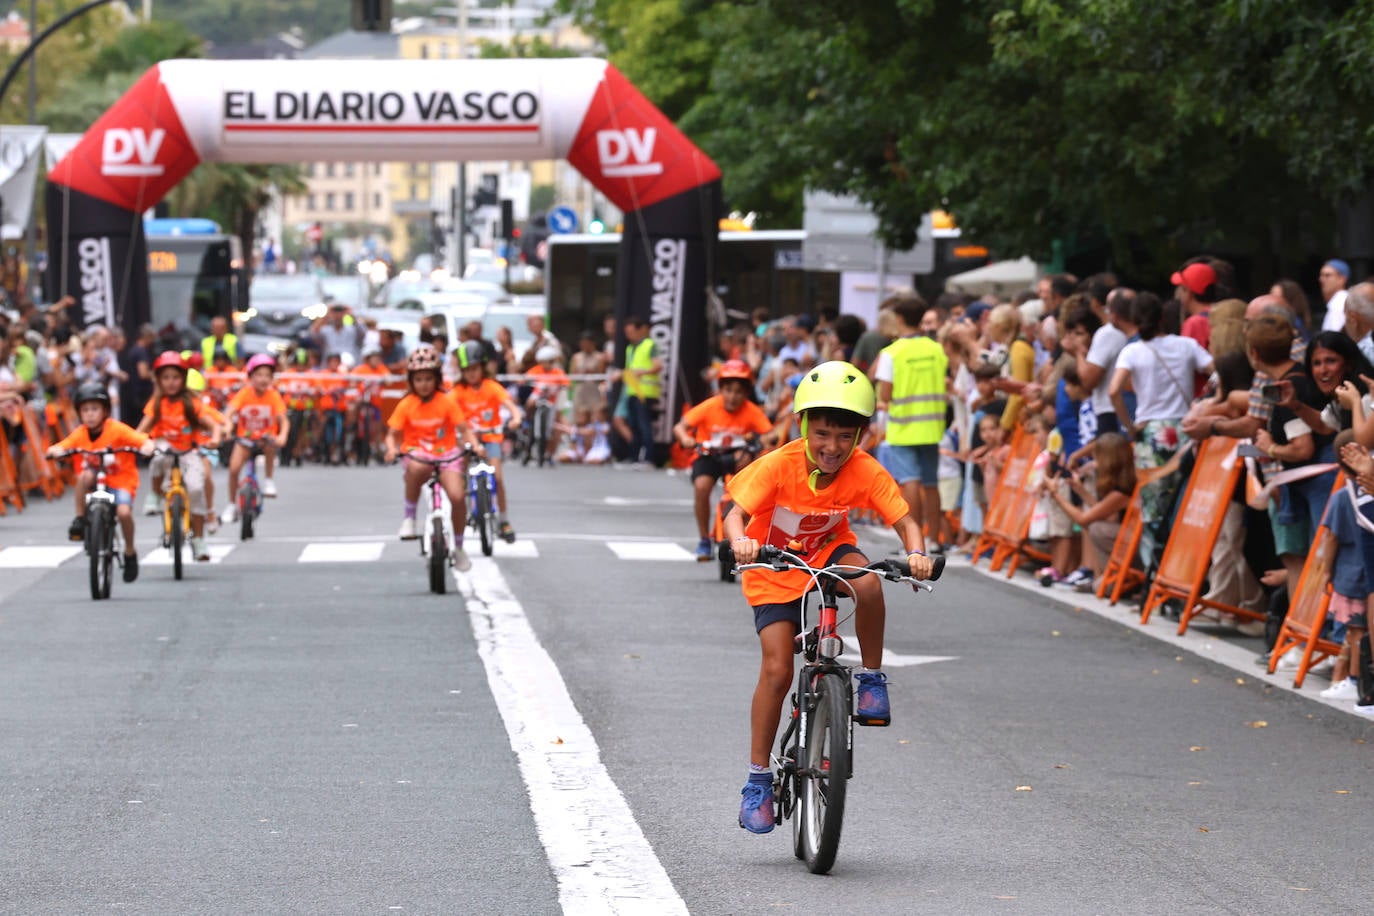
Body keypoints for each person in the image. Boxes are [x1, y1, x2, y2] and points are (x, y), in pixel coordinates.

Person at [724, 361, 936, 834]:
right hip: (774, 563)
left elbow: (905, 521)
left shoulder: (863, 468)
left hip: (829, 553)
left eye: (846, 436)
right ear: (803, 427)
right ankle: (758, 780)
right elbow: (735, 514)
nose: (833, 447)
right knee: (778, 668)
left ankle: (873, 679)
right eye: (822, 433)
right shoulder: (780, 464)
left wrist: (916, 552)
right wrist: (742, 541)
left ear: (860, 435)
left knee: (868, 581)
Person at [46, 382, 157, 583]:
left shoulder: (116, 429)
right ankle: (80, 518)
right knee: (84, 476)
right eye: (85, 410)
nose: (90, 414)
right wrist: (54, 451)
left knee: (123, 513)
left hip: (120, 480)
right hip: (95, 479)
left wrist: (148, 446)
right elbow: (64, 445)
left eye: (95, 409)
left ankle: (130, 551)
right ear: (79, 412)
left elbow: (139, 439)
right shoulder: (80, 433)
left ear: (105, 411)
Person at [384, 346, 479, 571]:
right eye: (418, 379)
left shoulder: (446, 401)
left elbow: (463, 429)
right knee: (416, 469)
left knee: (457, 496)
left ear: (436, 379)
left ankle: (458, 547)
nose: (424, 384)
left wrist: (474, 445)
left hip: (447, 455)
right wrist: (390, 449)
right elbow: (392, 434)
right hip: (418, 454)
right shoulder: (406, 403)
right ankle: (409, 518)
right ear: (411, 381)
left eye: (428, 379)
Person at [672, 359, 775, 560]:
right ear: (720, 390)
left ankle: (743, 534)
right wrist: (686, 438)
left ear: (746, 393)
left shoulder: (751, 410)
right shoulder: (709, 406)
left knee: (746, 488)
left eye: (738, 392)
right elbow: (680, 427)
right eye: (728, 390)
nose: (732, 397)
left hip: (738, 457)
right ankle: (703, 539)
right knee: (702, 486)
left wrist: (759, 439)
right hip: (708, 455)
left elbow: (769, 434)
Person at [873, 296, 949, 551]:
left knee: (910, 482)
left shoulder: (892, 353)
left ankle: (913, 543)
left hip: (903, 427)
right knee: (931, 484)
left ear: (899, 319)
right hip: (933, 427)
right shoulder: (936, 349)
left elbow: (885, 395)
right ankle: (935, 539)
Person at [136, 352, 221, 562]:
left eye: (175, 377)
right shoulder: (156, 403)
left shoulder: (190, 402)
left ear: (183, 379)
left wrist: (215, 438)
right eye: (166, 378)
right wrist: (139, 441)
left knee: (196, 489)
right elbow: (142, 428)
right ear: (158, 380)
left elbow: (213, 425)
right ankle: (154, 495)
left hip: (188, 451)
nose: (171, 383)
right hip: (165, 448)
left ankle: (199, 539)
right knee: (156, 460)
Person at [449, 340, 524, 541]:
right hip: (467, 439)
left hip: (491, 437)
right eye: (467, 370)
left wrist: (516, 417)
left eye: (475, 368)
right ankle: (462, 510)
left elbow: (509, 404)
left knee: (497, 477)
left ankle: (504, 520)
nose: (472, 373)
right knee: (459, 475)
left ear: (482, 367)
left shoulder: (491, 386)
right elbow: (447, 411)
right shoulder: (458, 391)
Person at [1043, 431, 1137, 591]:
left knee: (1096, 528)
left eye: (1097, 456)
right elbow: (1103, 512)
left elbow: (1083, 519)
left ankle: (1114, 579)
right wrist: (1080, 490)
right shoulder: (1122, 483)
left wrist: (1055, 494)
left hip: (1135, 549)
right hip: (1126, 541)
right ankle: (1105, 577)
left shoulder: (1122, 491)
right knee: (1097, 526)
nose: (1094, 461)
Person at [1317, 431, 1369, 701]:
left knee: (1356, 630)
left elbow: (1332, 537)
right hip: (1366, 569)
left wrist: (1326, 570)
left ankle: (1354, 679)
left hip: (1350, 572)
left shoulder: (1341, 497)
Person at [221, 354, 290, 525]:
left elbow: (284, 420)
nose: (263, 379)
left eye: (267, 375)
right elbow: (228, 414)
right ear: (250, 377)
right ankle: (231, 505)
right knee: (233, 469)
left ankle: (268, 480)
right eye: (259, 375)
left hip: (265, 440)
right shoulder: (244, 394)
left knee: (270, 443)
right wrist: (227, 428)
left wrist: (282, 436)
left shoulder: (273, 395)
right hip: (245, 439)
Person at [621, 317, 662, 465]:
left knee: (644, 425)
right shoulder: (630, 348)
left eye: (631, 332)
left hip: (645, 392)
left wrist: (642, 372)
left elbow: (658, 366)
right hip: (632, 390)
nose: (628, 335)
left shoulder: (649, 345)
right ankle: (634, 456)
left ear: (640, 330)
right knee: (633, 425)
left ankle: (648, 458)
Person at [1320, 258, 1352, 333]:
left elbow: (1334, 340)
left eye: (1327, 275)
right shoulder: (1338, 302)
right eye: (1321, 275)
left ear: (1342, 279)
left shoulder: (1339, 304)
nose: (1321, 279)